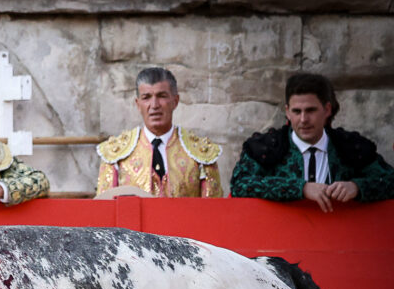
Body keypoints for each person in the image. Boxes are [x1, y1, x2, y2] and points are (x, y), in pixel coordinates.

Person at [230, 72, 394, 211]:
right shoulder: (266, 147)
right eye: (296, 111)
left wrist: (357, 187)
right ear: (287, 112)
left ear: (327, 109)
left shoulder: (351, 147)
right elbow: (240, 184)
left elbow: (390, 181)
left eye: (311, 110)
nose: (303, 119)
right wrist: (301, 188)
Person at [95, 68, 223, 198]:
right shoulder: (116, 155)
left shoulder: (201, 154)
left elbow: (213, 212)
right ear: (138, 104)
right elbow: (104, 212)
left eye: (162, 96)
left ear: (175, 101)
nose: (154, 105)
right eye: (146, 97)